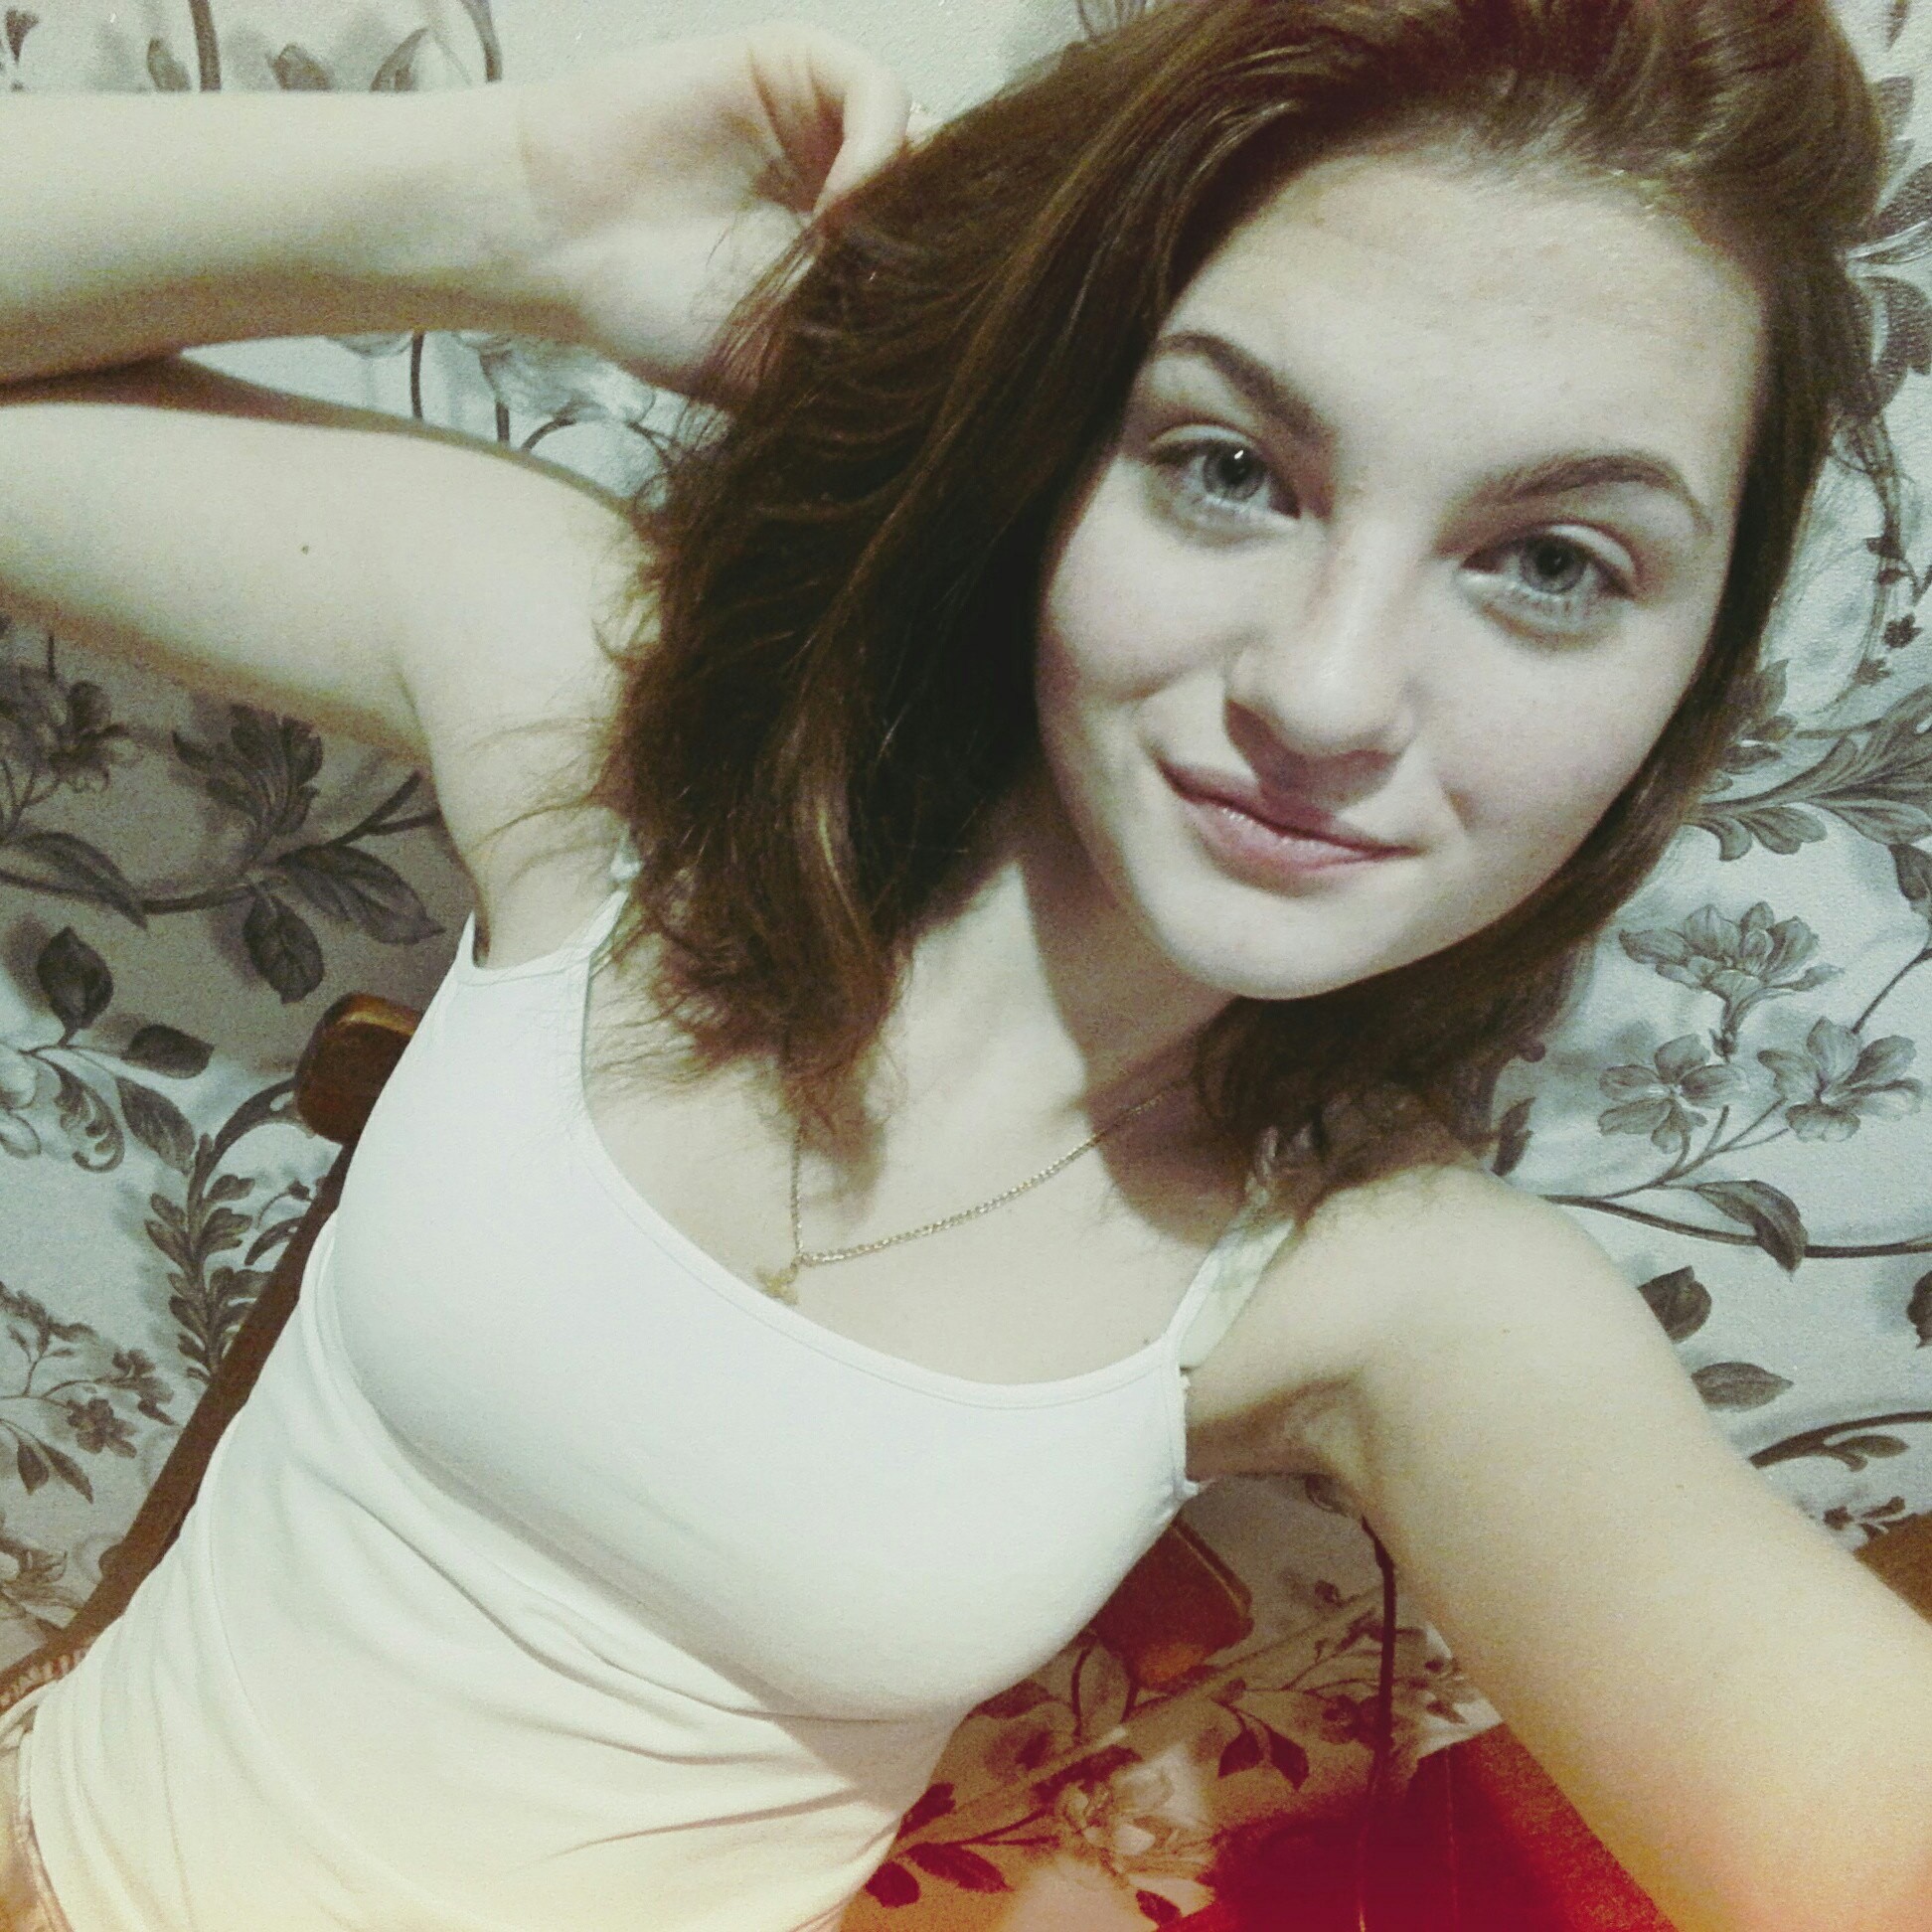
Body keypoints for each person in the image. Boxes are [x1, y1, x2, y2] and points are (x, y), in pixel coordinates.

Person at [0, 2, 1929, 1928]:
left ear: (1690, 679)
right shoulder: (617, 742)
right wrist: (515, 203)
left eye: (1554, 565)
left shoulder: (1386, 1284)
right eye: (1231, 467)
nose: (1326, 691)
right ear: (1060, 453)